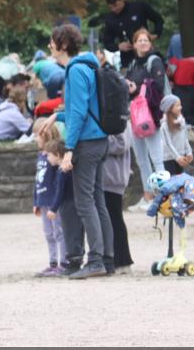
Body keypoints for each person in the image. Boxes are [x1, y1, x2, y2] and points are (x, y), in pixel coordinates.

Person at [57, 23, 113, 279]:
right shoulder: (89, 65)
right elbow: (85, 107)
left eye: (52, 43)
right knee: (98, 200)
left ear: (63, 45)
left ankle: (96, 260)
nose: (49, 47)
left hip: (86, 143)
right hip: (99, 139)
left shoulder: (76, 71)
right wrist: (56, 115)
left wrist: (69, 148)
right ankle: (107, 259)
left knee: (85, 202)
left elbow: (79, 112)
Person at [124, 28, 167, 210]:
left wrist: (137, 88)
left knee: (156, 157)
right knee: (141, 159)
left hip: (150, 115)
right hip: (135, 115)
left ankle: (164, 196)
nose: (143, 43)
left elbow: (158, 85)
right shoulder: (133, 64)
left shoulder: (154, 61)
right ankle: (149, 196)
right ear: (134, 44)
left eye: (146, 40)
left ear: (150, 43)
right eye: (139, 40)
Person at [32, 120, 65, 277]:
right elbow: (37, 180)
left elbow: (58, 182)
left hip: (53, 202)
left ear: (45, 135)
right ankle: (53, 262)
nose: (35, 139)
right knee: (48, 233)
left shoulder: (54, 157)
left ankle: (63, 262)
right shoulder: (40, 156)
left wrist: (55, 205)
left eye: (36, 135)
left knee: (59, 231)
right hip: (43, 201)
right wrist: (35, 202)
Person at [100, 0, 164, 69]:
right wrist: (118, 46)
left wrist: (156, 34)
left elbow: (158, 20)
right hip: (128, 59)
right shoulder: (110, 19)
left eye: (116, 5)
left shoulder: (138, 7)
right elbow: (107, 42)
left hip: (146, 53)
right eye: (111, 7)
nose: (114, 9)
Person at [102, 125, 134, 273]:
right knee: (110, 219)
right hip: (107, 177)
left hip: (113, 177)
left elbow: (121, 145)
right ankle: (113, 259)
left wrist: (98, 142)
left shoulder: (119, 121)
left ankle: (122, 261)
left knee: (115, 219)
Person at [159, 94, 193, 175]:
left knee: (180, 179)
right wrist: (177, 157)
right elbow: (167, 143)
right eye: (177, 105)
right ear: (170, 108)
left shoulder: (181, 121)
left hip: (180, 155)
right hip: (168, 158)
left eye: (180, 105)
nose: (180, 107)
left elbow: (185, 138)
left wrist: (189, 152)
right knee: (172, 182)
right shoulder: (164, 124)